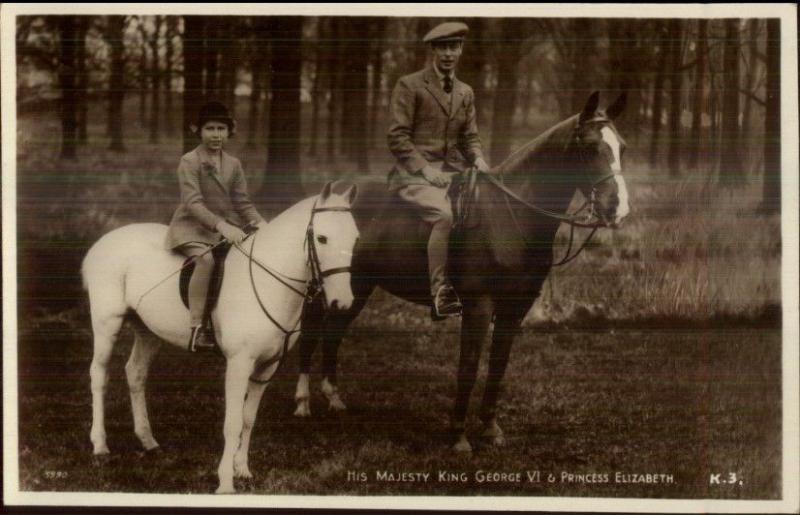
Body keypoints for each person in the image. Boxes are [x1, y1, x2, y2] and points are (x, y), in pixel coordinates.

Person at [387, 21, 491, 320]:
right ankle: (440, 293)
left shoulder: (465, 92)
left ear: (461, 49)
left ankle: (477, 282)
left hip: (456, 172)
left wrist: (479, 160)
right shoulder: (410, 85)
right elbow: (397, 137)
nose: (448, 54)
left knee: (487, 208)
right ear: (433, 50)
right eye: (442, 47)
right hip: (413, 176)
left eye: (454, 47)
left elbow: (470, 137)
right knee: (444, 216)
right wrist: (424, 170)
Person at [165, 101, 266, 352]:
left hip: (223, 228)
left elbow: (242, 203)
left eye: (221, 128)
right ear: (197, 130)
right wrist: (221, 225)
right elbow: (193, 203)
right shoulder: (189, 161)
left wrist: (261, 224)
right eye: (210, 128)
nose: (216, 134)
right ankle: (197, 328)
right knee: (206, 261)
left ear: (229, 131)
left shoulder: (234, 164)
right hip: (191, 227)